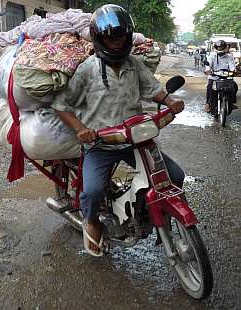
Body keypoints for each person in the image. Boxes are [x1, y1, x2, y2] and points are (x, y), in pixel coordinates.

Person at [52, 4, 185, 256]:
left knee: (175, 177)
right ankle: (90, 221)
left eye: (121, 36)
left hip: (135, 139)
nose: (117, 41)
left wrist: (169, 102)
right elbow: (61, 106)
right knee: (92, 191)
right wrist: (81, 129)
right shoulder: (87, 69)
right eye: (111, 37)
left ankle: (151, 212)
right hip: (101, 144)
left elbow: (153, 88)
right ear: (99, 38)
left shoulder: (134, 64)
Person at [204, 40, 238, 114]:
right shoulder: (212, 55)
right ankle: (208, 104)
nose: (220, 48)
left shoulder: (229, 57)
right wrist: (208, 70)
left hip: (226, 77)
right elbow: (208, 64)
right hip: (214, 77)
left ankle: (231, 103)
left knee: (234, 86)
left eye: (221, 47)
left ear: (224, 47)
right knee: (209, 87)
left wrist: (234, 71)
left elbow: (232, 66)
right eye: (218, 47)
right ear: (216, 47)